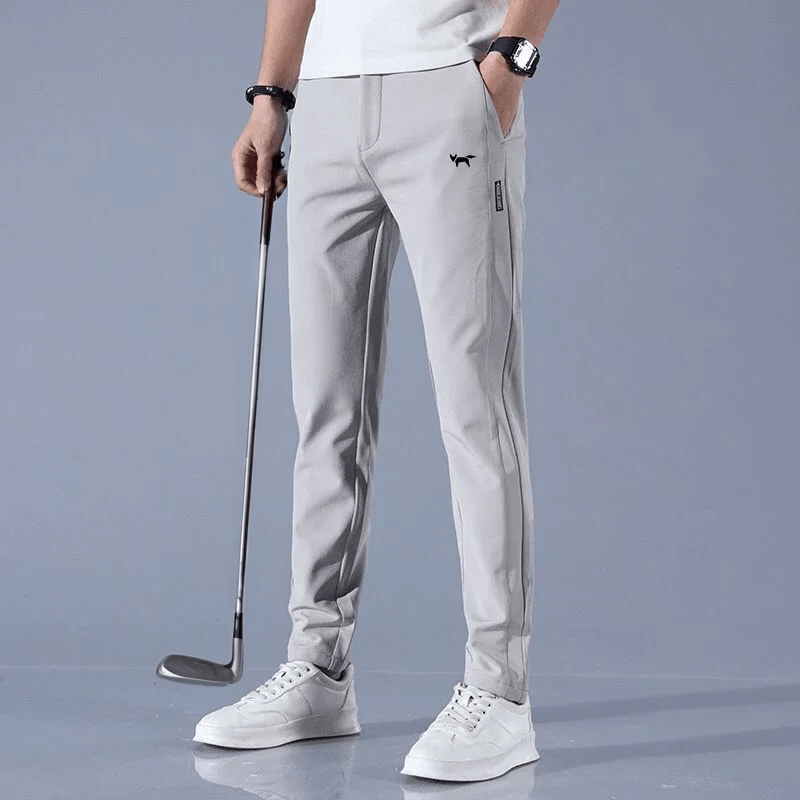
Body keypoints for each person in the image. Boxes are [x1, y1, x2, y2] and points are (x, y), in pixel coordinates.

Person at [194, 0, 560, 783]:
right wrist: (272, 94)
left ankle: (500, 690)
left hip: (452, 80)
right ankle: (318, 670)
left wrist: (509, 62)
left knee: (477, 406)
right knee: (326, 407)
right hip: (325, 97)